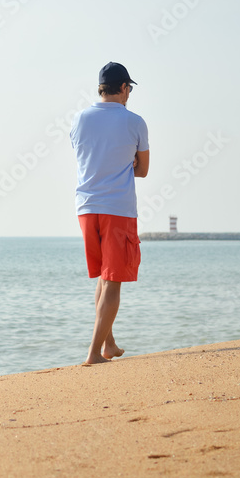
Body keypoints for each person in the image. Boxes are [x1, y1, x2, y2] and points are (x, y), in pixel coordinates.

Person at [69, 62, 149, 365]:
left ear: (101, 88)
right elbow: (143, 170)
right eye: (129, 90)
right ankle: (93, 353)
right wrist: (126, 163)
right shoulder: (134, 121)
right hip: (118, 208)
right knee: (113, 280)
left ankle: (109, 344)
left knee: (103, 277)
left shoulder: (79, 120)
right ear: (124, 88)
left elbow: (87, 158)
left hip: (86, 208)